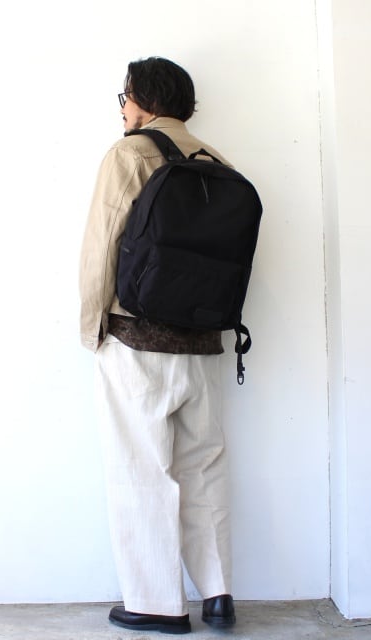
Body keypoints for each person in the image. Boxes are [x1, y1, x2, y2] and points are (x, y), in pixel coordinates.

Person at [79, 57, 237, 634]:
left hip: (137, 339)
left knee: (140, 467)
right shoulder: (216, 160)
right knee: (203, 466)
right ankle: (218, 595)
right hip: (202, 342)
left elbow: (102, 243)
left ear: (143, 100)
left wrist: (91, 324)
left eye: (125, 96)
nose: (123, 108)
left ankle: (154, 604)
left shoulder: (128, 154)